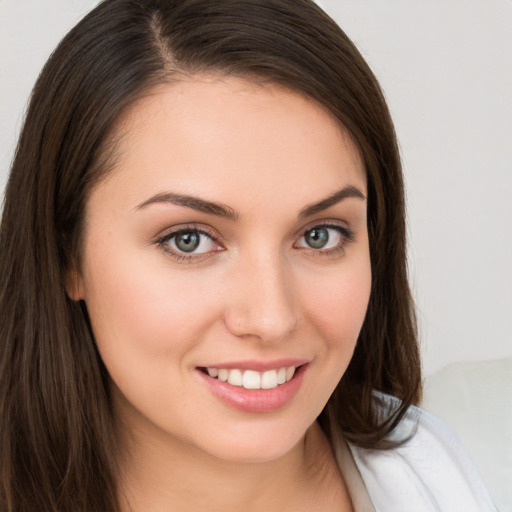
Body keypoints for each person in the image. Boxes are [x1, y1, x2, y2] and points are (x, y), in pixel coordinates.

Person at [0, 1, 497, 511]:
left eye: (321, 235)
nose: (271, 318)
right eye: (188, 239)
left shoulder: (440, 472)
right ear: (68, 253)